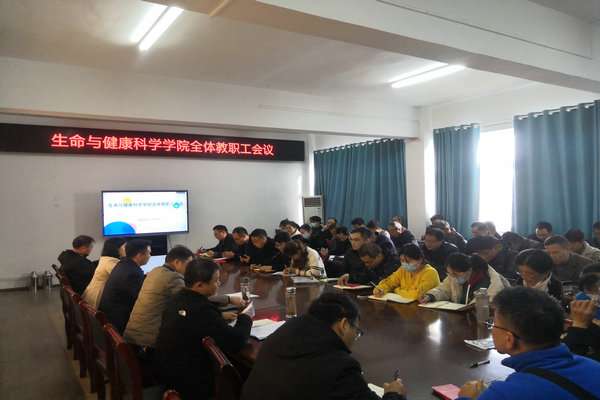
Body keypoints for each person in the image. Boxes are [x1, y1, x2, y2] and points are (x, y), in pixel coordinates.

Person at [241, 292, 407, 400]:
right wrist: (394, 394)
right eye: (356, 332)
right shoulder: (339, 366)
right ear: (343, 325)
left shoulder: (284, 331)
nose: (354, 338)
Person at [456, 286, 600, 400]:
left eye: (494, 324)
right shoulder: (594, 366)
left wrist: (467, 397)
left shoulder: (504, 394)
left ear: (509, 339)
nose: (492, 328)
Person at [156, 258, 252, 400]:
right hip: (193, 383)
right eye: (216, 280)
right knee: (249, 371)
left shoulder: (177, 299)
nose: (219, 283)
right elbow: (236, 341)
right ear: (199, 285)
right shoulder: (200, 309)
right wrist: (245, 317)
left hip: (170, 373)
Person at [124, 246, 245, 351]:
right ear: (177, 262)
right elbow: (195, 300)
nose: (192, 268)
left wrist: (220, 314)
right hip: (150, 341)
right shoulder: (173, 277)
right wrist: (229, 300)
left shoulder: (156, 270)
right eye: (190, 264)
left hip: (136, 335)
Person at [98, 239, 151, 334]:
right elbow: (143, 298)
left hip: (108, 315)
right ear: (139, 256)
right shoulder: (132, 273)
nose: (150, 256)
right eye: (149, 253)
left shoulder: (123, 264)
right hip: (118, 321)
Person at [419, 253, 510, 305]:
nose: (452, 277)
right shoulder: (455, 276)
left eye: (455, 274)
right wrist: (430, 296)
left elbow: (483, 305)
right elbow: (444, 289)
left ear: (469, 270)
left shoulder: (486, 282)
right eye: (449, 274)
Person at [373, 243, 439, 300]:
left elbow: (417, 294)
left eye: (408, 261)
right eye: (402, 261)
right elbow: (389, 283)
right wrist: (380, 289)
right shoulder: (402, 270)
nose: (405, 264)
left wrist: (396, 290)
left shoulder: (430, 273)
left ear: (420, 260)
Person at [82, 237, 126, 308]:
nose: (127, 249)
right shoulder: (111, 262)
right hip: (98, 296)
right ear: (116, 248)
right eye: (124, 247)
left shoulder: (105, 258)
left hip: (93, 292)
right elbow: (124, 278)